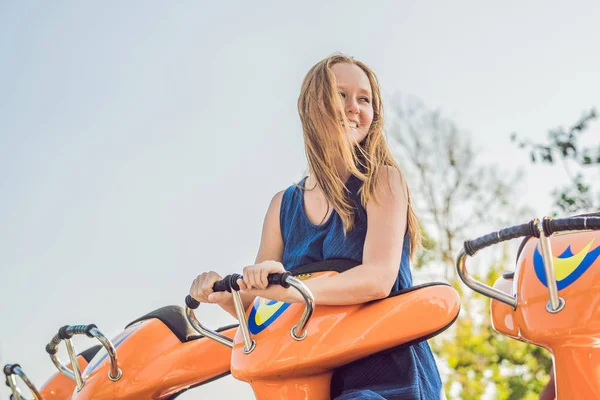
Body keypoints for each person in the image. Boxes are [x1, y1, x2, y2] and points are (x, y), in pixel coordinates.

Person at [189, 53, 444, 399]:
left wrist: (291, 288)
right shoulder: (283, 205)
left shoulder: (381, 181)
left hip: (387, 374)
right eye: (341, 95)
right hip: (310, 372)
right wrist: (225, 294)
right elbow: (262, 307)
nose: (354, 107)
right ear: (309, 106)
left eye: (364, 99)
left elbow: (378, 279)